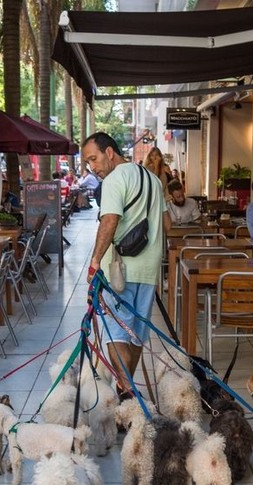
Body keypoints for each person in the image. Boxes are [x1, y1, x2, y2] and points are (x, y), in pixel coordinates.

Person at [83, 132, 171, 401]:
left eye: (94, 159)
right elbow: (168, 225)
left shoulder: (113, 180)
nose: (92, 167)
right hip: (148, 271)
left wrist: (95, 260)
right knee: (135, 335)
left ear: (110, 152)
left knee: (116, 332)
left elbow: (109, 221)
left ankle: (129, 392)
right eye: (88, 162)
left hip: (118, 270)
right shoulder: (154, 180)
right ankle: (126, 391)